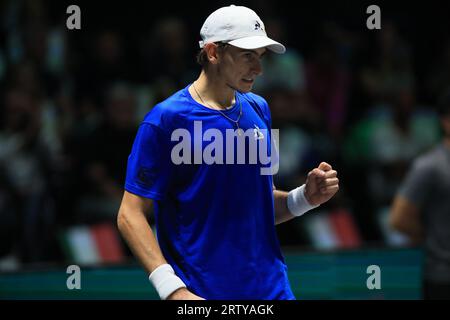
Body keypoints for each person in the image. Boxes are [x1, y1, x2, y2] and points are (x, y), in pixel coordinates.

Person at [117, 5, 339, 300]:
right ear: (212, 52)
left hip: (272, 290)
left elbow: (260, 204)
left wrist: (305, 198)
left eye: (259, 57)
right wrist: (172, 291)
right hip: (202, 296)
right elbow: (130, 215)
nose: (258, 68)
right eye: (247, 55)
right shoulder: (166, 120)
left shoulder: (260, 108)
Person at [389, 89, 450, 299]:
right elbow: (399, 219)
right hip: (441, 277)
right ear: (446, 122)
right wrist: (435, 238)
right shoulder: (429, 166)